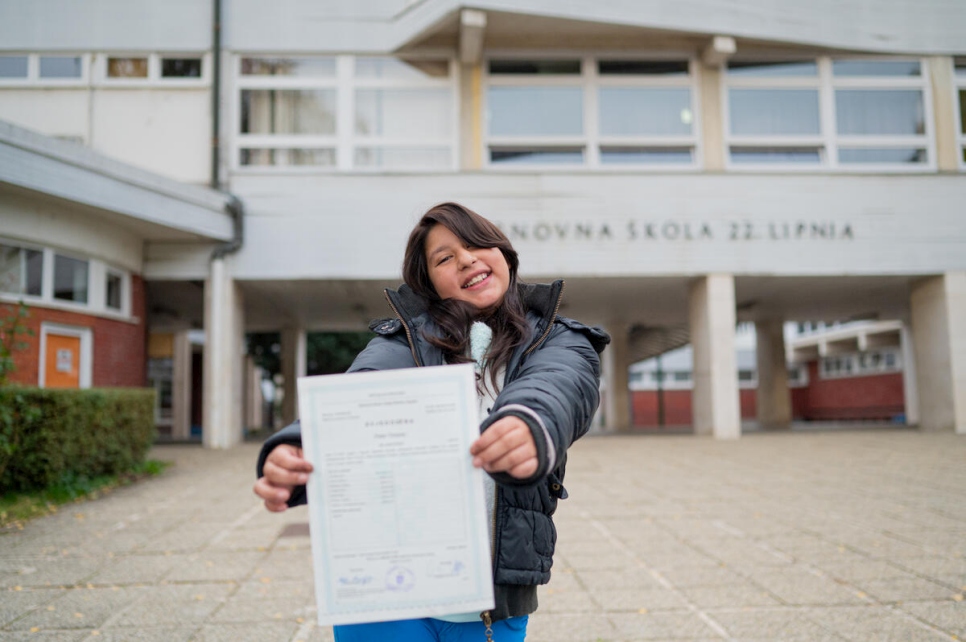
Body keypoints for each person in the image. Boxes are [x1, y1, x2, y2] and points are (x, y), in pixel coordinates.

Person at [253, 202, 609, 642]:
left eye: (479, 243)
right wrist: (298, 448)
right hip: (381, 590)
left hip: (493, 601)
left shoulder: (561, 339)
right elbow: (359, 392)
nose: (466, 258)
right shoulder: (402, 343)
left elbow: (558, 387)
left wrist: (528, 424)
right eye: (444, 258)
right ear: (431, 284)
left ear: (505, 256)